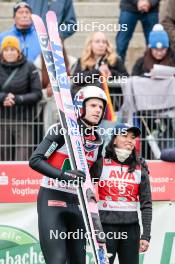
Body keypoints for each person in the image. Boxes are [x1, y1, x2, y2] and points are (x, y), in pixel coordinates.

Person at [29, 86, 107, 264]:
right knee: (57, 260)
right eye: (93, 105)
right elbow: (35, 160)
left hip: (77, 204)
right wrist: (64, 175)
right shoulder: (61, 131)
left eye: (101, 107)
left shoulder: (98, 141)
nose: (97, 110)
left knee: (79, 261)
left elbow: (93, 176)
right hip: (52, 199)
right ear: (80, 106)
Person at [97, 123, 152, 264]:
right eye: (124, 135)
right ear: (114, 139)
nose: (129, 140)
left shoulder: (140, 168)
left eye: (133, 137)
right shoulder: (100, 164)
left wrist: (145, 235)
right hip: (105, 228)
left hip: (131, 229)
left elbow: (146, 204)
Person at [0, 36, 42, 161]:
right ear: (2, 52)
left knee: (23, 155)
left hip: (24, 119)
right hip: (2, 119)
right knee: (3, 155)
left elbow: (37, 93)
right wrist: (3, 97)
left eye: (13, 49)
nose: (9, 52)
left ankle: (20, 180)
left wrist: (17, 99)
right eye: (6, 50)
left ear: (19, 52)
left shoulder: (29, 66)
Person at [71, 31, 128, 97]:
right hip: (86, 100)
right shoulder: (82, 60)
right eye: (97, 41)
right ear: (90, 44)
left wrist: (111, 73)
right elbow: (76, 79)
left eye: (104, 42)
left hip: (111, 101)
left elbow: (126, 78)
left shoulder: (115, 60)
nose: (101, 44)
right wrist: (98, 72)